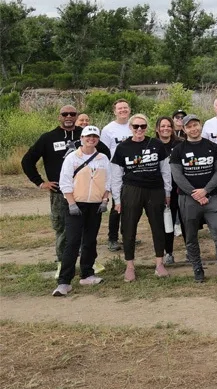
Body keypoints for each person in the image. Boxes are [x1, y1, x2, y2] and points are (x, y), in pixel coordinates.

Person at [170, 114, 217, 282]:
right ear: (183, 129)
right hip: (188, 199)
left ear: (201, 125)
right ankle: (197, 268)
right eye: (189, 126)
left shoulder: (212, 147)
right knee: (190, 236)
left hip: (211, 197)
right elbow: (177, 176)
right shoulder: (178, 150)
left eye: (195, 125)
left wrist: (205, 191)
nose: (193, 129)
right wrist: (195, 193)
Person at [109, 113, 171, 283]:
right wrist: (117, 200)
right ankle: (130, 266)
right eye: (135, 126)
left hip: (155, 189)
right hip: (132, 189)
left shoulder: (157, 144)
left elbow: (165, 170)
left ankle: (159, 263)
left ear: (147, 128)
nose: (139, 130)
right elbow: (116, 175)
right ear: (130, 128)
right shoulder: (122, 148)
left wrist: (167, 192)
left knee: (158, 227)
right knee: (128, 228)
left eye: (142, 126)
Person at [21, 103, 81, 274]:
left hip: (84, 192)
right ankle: (62, 264)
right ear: (59, 117)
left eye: (72, 114)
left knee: (85, 228)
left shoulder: (85, 135)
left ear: (76, 116)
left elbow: (104, 155)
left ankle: (87, 261)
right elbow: (27, 161)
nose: (68, 117)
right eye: (65, 114)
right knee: (62, 229)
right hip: (59, 193)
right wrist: (40, 182)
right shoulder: (48, 138)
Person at [52, 125, 111, 296]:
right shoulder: (72, 158)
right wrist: (71, 203)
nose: (91, 139)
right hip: (76, 204)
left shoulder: (103, 159)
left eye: (94, 137)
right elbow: (65, 182)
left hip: (95, 205)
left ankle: (87, 273)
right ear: (82, 138)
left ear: (98, 140)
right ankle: (64, 281)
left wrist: (105, 199)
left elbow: (107, 181)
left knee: (90, 241)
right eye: (88, 136)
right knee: (72, 242)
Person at [100, 99, 132, 251]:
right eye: (120, 108)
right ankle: (112, 238)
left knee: (132, 205)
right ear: (115, 111)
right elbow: (104, 153)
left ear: (129, 110)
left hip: (133, 170)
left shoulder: (134, 125)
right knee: (117, 205)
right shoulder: (108, 129)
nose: (123, 110)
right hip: (115, 171)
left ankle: (128, 235)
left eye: (125, 108)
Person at [153, 115, 180, 266]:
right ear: (157, 129)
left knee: (186, 221)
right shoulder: (152, 145)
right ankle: (168, 252)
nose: (166, 128)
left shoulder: (180, 144)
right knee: (166, 222)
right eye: (162, 126)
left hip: (180, 188)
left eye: (168, 126)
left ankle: (191, 250)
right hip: (161, 189)